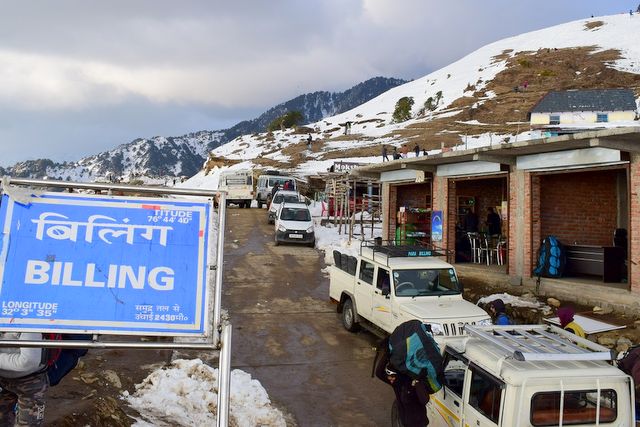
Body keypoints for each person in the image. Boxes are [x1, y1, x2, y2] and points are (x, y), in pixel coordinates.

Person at [374, 336, 430, 427]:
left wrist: (417, 381)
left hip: (419, 424)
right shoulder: (398, 381)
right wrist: (386, 354)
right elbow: (379, 373)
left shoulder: (416, 380)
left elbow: (424, 400)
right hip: (405, 423)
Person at [0, 332, 48, 426]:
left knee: (29, 423)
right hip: (3, 379)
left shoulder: (28, 322)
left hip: (31, 380)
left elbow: (28, 361)